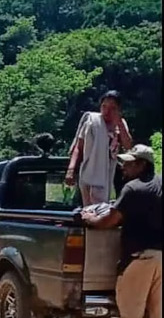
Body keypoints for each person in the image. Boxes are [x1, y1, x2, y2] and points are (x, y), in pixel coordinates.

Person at [81, 144, 161, 318]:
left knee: (131, 312)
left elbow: (109, 221)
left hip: (140, 259)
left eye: (129, 163)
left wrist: (89, 218)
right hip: (161, 260)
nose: (123, 167)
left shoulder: (133, 188)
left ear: (142, 165)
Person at [66, 90, 132, 206]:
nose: (107, 111)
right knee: (89, 210)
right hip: (89, 173)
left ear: (119, 109)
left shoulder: (120, 124)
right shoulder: (92, 122)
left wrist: (119, 124)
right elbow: (79, 147)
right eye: (104, 106)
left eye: (112, 108)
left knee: (102, 208)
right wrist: (71, 170)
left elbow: (128, 146)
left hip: (108, 172)